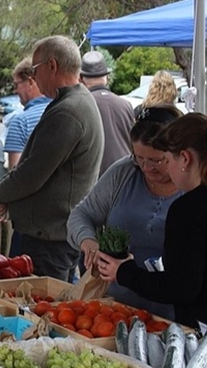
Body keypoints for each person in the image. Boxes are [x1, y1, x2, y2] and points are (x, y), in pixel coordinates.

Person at [0, 35, 104, 282]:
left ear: (52, 66)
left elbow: (31, 175)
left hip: (49, 242)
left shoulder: (69, 111)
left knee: (40, 312)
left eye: (35, 70)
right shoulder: (74, 101)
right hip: (55, 236)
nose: (34, 78)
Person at [67, 105, 183, 320]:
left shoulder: (194, 189)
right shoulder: (125, 172)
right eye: (140, 158)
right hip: (115, 308)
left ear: (179, 154)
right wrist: (88, 241)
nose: (147, 167)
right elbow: (81, 215)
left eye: (157, 160)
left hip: (175, 315)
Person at [97, 112, 207, 329]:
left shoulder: (188, 210)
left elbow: (181, 287)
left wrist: (124, 272)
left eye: (166, 160)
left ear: (185, 158)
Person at [79, 51, 135, 176]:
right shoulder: (125, 105)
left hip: (96, 179)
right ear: (107, 78)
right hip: (125, 175)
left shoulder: (81, 105)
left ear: (81, 79)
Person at [4, 57, 51, 169]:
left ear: (30, 82)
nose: (15, 91)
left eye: (16, 85)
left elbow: (14, 175)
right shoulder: (64, 113)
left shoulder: (20, 123)